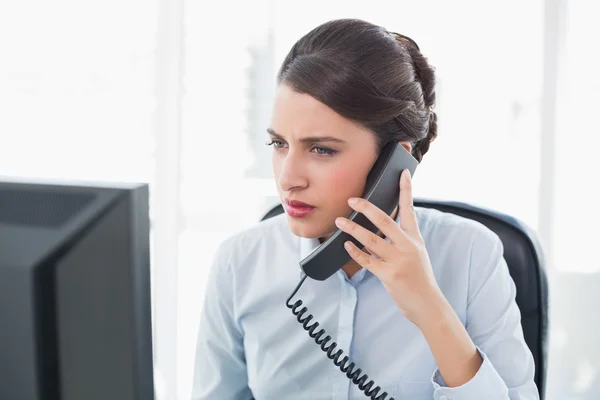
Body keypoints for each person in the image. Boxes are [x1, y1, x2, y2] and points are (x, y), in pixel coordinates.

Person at [191, 18, 539, 400]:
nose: (288, 178)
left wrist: (430, 309)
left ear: (393, 163)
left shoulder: (472, 256)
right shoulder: (240, 263)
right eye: (278, 144)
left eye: (321, 149)